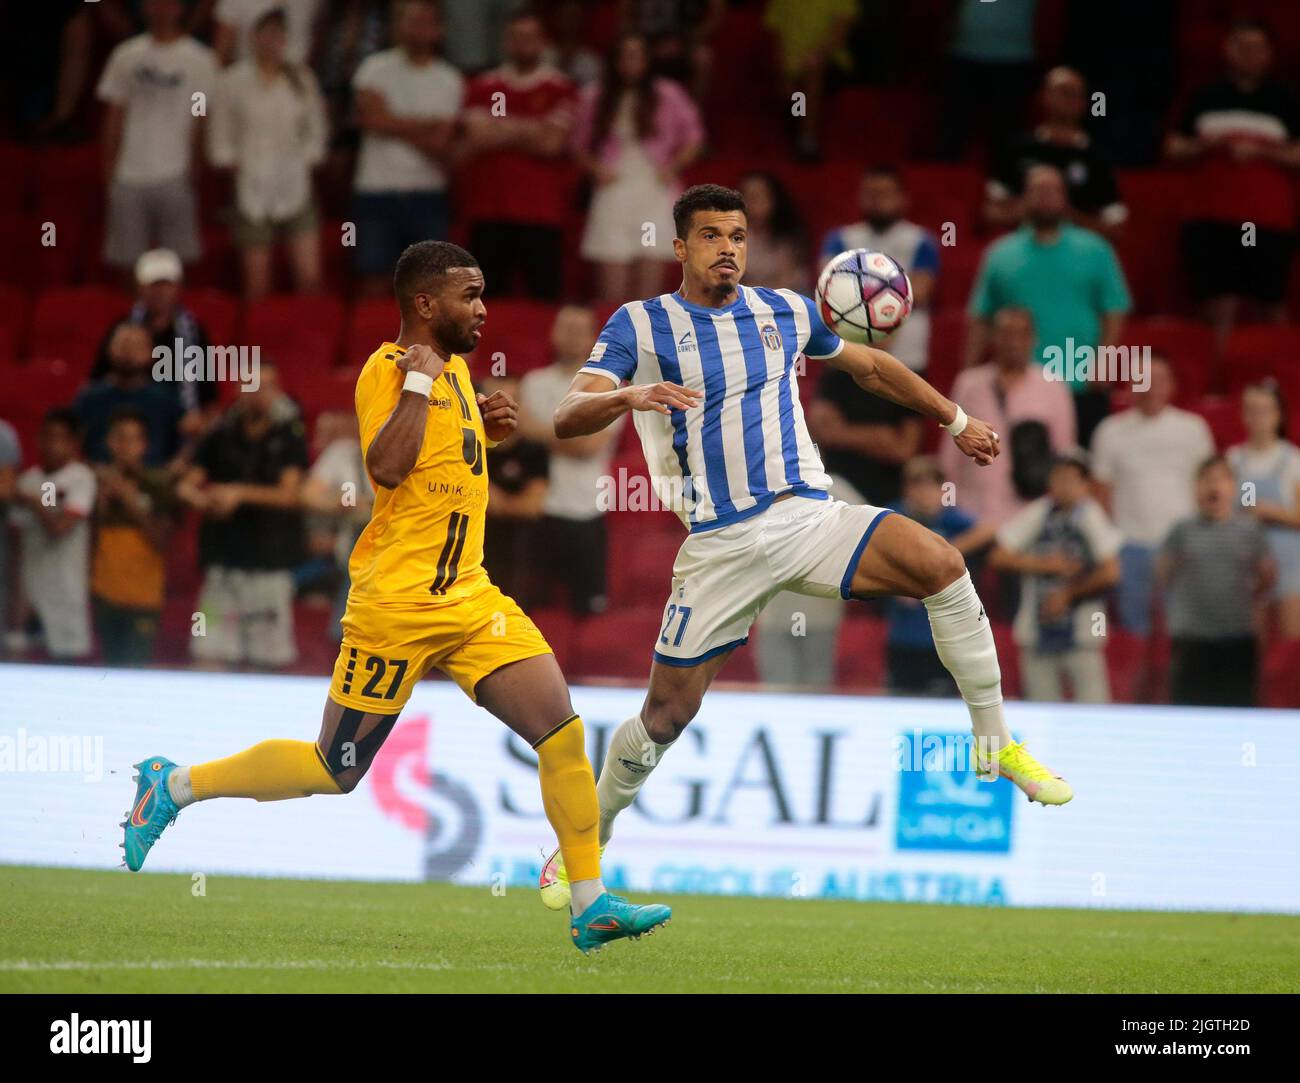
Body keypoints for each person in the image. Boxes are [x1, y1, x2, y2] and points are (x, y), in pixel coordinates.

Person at [122, 241, 671, 954]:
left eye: (482, 294)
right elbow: (386, 463)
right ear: (424, 304)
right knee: (335, 769)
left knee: (561, 731)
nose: (482, 309)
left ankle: (590, 902)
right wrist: (419, 385)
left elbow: (440, 467)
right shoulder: (389, 369)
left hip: (471, 597)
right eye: (468, 295)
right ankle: (174, 785)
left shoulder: (456, 374)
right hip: (396, 604)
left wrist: (488, 431)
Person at [537, 184, 1073, 910]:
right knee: (665, 718)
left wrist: (955, 419)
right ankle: (587, 843)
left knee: (942, 564)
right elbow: (569, 415)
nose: (727, 247)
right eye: (710, 235)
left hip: (808, 516)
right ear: (680, 248)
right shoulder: (641, 323)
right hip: (719, 544)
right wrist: (626, 396)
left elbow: (873, 367)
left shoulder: (785, 311)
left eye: (737, 234)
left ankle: (995, 741)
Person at [965, 164, 1132, 445]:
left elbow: (1114, 310)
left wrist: (1104, 359)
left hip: (1080, 380)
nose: (1045, 197)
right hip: (1017, 385)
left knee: (1077, 470)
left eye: (1053, 190)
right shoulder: (1000, 254)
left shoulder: (1096, 249)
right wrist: (968, 373)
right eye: (1037, 190)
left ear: (1065, 197)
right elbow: (982, 317)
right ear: (1024, 197)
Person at [1167, 19, 1300, 350]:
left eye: (1256, 48)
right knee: (1217, 303)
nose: (1248, 55)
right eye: (1241, 46)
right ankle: (1215, 386)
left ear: (1269, 54)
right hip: (1211, 217)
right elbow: (1173, 147)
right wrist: (1206, 146)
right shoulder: (1204, 96)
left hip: (1264, 220)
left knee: (1268, 302)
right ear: (1227, 50)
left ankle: (1277, 381)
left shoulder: (1286, 98)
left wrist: (1264, 152)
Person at [177, 363, 308, 670]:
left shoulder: (289, 435)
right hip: (223, 562)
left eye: (268, 387)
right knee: (210, 655)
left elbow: (290, 494)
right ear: (238, 391)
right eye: (253, 387)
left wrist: (238, 493)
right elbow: (186, 485)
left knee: (268, 661)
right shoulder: (219, 434)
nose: (260, 395)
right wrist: (205, 500)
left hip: (269, 563)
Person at [208, 6, 328, 301]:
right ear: (253, 38)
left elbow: (317, 132)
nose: (272, 40)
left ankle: (308, 342)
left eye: (278, 34)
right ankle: (258, 344)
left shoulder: (302, 78)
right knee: (257, 284)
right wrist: (236, 164)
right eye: (266, 33)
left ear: (285, 39)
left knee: (310, 277)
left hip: (295, 183)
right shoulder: (232, 82)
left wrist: (303, 160)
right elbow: (219, 140)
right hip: (251, 185)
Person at [572, 32, 704, 303]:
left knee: (648, 282)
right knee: (612, 284)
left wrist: (672, 167)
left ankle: (647, 343)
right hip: (613, 188)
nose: (631, 63)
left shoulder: (668, 94)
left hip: (653, 189)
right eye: (625, 56)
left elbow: (694, 137)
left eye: (637, 56)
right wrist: (596, 169)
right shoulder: (594, 96)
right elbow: (577, 145)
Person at [1090, 356, 1214, 636]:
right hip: (1129, 545)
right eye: (1142, 380)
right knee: (1134, 631)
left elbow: (1207, 487)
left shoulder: (1193, 428)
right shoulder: (1109, 431)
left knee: (1183, 628)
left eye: (1158, 381)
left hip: (1181, 546)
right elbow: (1101, 495)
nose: (1149, 388)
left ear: (1171, 386)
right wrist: (1110, 545)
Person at [459, 10, 577, 299]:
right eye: (517, 37)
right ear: (505, 42)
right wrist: (534, 127)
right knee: (482, 306)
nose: (523, 43)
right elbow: (478, 136)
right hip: (488, 208)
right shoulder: (483, 85)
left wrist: (500, 126)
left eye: (530, 37)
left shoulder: (560, 87)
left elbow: (552, 144)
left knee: (543, 300)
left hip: (541, 211)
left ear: (543, 42)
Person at [989, 451, 1121, 703]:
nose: (1064, 486)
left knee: (1094, 713)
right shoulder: (1039, 511)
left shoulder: (1091, 514)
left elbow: (1111, 572)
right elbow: (999, 556)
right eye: (1058, 478)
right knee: (1042, 713)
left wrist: (1068, 594)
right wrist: (1044, 565)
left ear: (1085, 485)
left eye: (1072, 480)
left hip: (1083, 632)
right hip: (1036, 629)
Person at [97, 0, 217, 276]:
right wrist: (110, 172)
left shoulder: (199, 59)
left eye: (169, 3)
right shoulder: (126, 56)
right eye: (155, 3)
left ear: (180, 8)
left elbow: (199, 115)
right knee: (128, 266)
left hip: (175, 174)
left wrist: (193, 166)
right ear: (145, 7)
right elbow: (115, 116)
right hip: (128, 175)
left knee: (173, 268)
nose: (161, 9)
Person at [351, 0, 463, 296]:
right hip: (376, 190)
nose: (416, 30)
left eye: (424, 22)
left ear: (438, 30)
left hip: (427, 192)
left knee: (428, 286)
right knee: (373, 277)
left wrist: (389, 120)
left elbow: (443, 144)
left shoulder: (450, 79)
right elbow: (368, 118)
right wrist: (427, 125)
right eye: (410, 21)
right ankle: (373, 342)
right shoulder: (373, 67)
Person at [518, 306, 621, 614]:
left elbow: (589, 445)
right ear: (553, 332)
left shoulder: (607, 387)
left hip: (586, 510)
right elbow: (519, 431)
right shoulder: (533, 382)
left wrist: (539, 432)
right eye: (566, 328)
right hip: (538, 507)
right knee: (533, 611)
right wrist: (569, 433)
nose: (572, 336)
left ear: (594, 338)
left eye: (581, 330)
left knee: (588, 610)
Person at [938, 306, 1076, 526]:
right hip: (972, 514)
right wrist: (947, 510)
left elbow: (1064, 458)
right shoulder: (968, 384)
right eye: (1006, 333)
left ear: (1033, 338)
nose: (1013, 342)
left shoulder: (1054, 387)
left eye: (1021, 334)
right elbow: (949, 458)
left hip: (1030, 520)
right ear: (993, 337)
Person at [1159, 456, 1273, 707]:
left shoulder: (1250, 530)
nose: (1213, 487)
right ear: (1195, 488)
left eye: (1220, 479)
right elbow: (1163, 574)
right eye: (1206, 480)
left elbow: (1266, 576)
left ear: (1233, 487)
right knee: (1189, 711)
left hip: (1237, 638)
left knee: (1239, 711)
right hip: (1191, 639)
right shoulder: (1181, 530)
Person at [885, 457, 995, 696]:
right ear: (906, 490)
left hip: (945, 638)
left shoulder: (950, 520)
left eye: (929, 486)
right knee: (901, 702)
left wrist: (944, 554)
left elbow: (988, 530)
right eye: (916, 486)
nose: (922, 493)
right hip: (904, 635)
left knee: (942, 704)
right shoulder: (893, 518)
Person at [820, 165, 939, 373]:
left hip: (906, 359)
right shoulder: (840, 238)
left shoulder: (920, 241)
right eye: (871, 193)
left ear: (902, 197)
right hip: (849, 358)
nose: (877, 199)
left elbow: (919, 292)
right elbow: (828, 289)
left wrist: (858, 287)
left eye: (885, 193)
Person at [986, 66, 1127, 241]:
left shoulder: (1098, 157)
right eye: (1063, 92)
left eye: (1076, 94)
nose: (1069, 100)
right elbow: (990, 214)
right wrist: (1031, 207)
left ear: (1085, 102)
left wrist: (1066, 213)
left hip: (1077, 254)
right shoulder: (1017, 147)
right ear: (1044, 96)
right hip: (1023, 249)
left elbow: (1117, 230)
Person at [91, 249, 219, 434]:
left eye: (166, 285)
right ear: (140, 287)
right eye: (153, 286)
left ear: (178, 287)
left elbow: (208, 398)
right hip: (126, 423)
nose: (160, 292)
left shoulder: (194, 333)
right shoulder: (122, 330)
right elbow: (98, 382)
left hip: (178, 425)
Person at [91, 409, 179, 667]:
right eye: (119, 438)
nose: (125, 447)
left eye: (133, 439)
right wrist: (102, 505)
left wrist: (131, 502)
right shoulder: (97, 483)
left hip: (143, 597)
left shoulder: (158, 483)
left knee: (135, 672)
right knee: (106, 671)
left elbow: (162, 541)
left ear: (144, 445)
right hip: (105, 593)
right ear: (109, 442)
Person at [8, 410, 96, 662]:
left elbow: (60, 528)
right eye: (47, 437)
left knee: (65, 668)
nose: (52, 445)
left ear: (72, 443)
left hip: (66, 591)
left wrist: (34, 502)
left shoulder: (81, 478)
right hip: (31, 592)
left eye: (60, 438)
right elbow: (16, 540)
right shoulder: (29, 480)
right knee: (26, 666)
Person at [1227, 380, 1300, 639]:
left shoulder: (1293, 460)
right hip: (1248, 563)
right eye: (1252, 410)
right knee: (1252, 646)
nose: (1258, 418)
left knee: (1292, 647)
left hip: (1288, 564)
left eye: (1265, 410)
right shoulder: (1234, 459)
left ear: (1278, 415)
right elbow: (1230, 511)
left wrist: (1272, 512)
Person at [74, 321, 184, 468]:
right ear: (109, 348)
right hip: (98, 479)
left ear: (152, 353)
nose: (129, 352)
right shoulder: (89, 398)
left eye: (137, 346)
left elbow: (181, 452)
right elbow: (72, 448)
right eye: (123, 344)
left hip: (152, 481)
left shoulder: (167, 400)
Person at [738, 172, 811, 294]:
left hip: (785, 300)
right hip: (744, 302)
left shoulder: (789, 236)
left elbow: (789, 280)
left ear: (773, 199)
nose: (752, 203)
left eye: (758, 196)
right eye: (747, 196)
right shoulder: (732, 237)